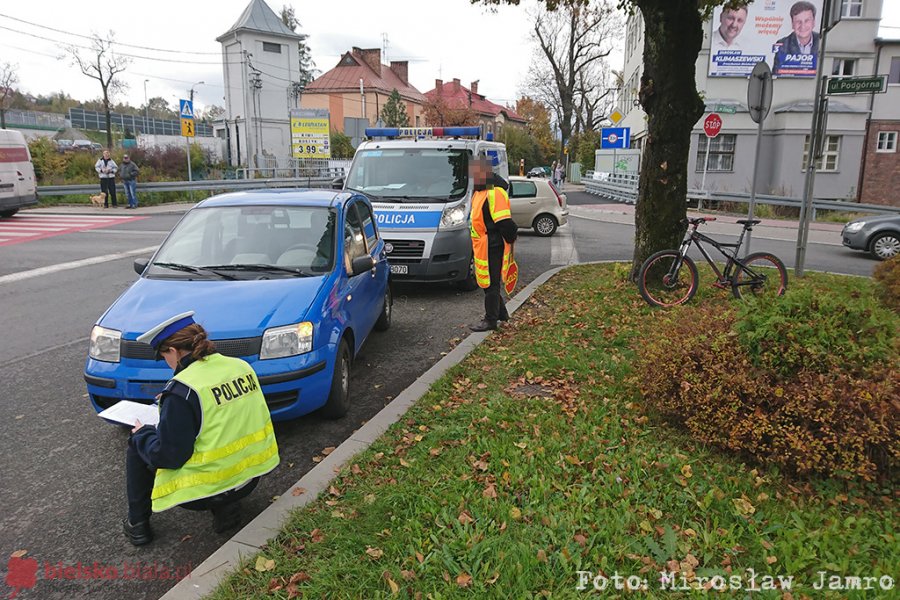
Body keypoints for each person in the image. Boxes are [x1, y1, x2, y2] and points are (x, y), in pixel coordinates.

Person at [123, 312, 280, 546]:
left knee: (137, 443)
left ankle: (138, 525)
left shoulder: (182, 390)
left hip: (207, 489)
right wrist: (173, 403)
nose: (166, 362)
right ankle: (227, 510)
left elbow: (168, 457)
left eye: (164, 355)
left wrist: (142, 434)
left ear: (173, 352)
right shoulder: (240, 366)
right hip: (251, 475)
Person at [469, 157, 517, 332]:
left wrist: (510, 239)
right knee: (488, 282)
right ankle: (501, 314)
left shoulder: (494, 192)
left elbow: (505, 223)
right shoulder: (480, 191)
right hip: (483, 245)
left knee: (491, 284)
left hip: (493, 244)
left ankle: (490, 320)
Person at [773, 1, 820, 75]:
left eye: (807, 21)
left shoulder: (822, 41)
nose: (803, 26)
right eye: (798, 22)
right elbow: (777, 75)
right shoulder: (782, 44)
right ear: (792, 24)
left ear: (813, 22)